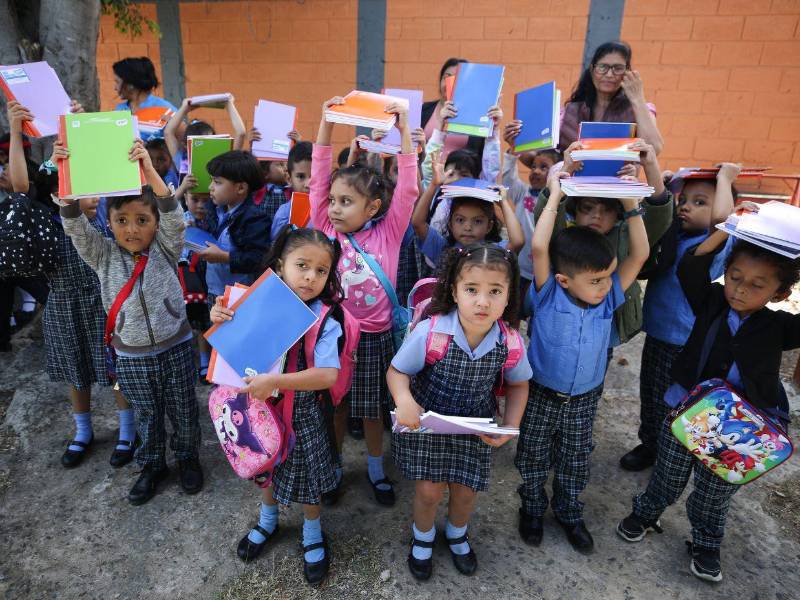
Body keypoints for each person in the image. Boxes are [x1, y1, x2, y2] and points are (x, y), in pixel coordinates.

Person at [617, 229, 800, 583]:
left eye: (757, 285)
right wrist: (727, 228)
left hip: (736, 431)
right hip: (685, 414)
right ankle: (646, 514)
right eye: (735, 277)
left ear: (781, 293)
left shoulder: (780, 327)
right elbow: (692, 266)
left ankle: (704, 542)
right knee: (666, 477)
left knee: (714, 493)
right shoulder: (712, 300)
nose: (741, 289)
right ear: (726, 273)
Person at [57, 139, 203, 506]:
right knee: (147, 414)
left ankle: (187, 456)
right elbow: (75, 227)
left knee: (184, 408)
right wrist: (66, 179)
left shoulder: (167, 246)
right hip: (132, 355)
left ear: (155, 224)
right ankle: (152, 465)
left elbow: (172, 212)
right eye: (122, 221)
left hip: (176, 345)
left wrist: (150, 170)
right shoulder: (102, 254)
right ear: (109, 222)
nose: (132, 229)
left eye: (142, 220)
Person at [516, 170, 650, 553]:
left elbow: (638, 254)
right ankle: (532, 508)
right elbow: (540, 248)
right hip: (541, 394)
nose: (607, 285)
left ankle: (569, 511)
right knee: (533, 457)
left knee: (576, 459)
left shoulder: (608, 298)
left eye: (609, 277)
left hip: (584, 399)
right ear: (562, 280)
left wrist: (630, 205)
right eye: (596, 281)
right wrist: (555, 195)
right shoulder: (547, 296)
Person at [210, 226, 345, 585]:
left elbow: (328, 375)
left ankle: (312, 532)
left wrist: (277, 382)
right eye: (302, 265)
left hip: (303, 414)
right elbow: (229, 343)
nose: (311, 277)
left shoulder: (325, 319)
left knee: (308, 479)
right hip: (258, 410)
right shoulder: (254, 301)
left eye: (321, 270)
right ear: (280, 264)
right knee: (263, 465)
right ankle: (268, 521)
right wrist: (219, 318)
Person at [7, 101, 137, 469]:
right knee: (74, 369)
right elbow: (20, 185)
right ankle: (83, 431)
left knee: (117, 369)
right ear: (55, 194)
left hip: (104, 302)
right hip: (63, 304)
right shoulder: (47, 220)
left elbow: (108, 162)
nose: (89, 195)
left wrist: (81, 127)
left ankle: (127, 431)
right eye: (78, 187)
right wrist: (16, 131)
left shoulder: (103, 219)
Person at [389, 243, 531, 580]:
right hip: (430, 425)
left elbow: (519, 384)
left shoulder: (509, 342)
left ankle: (456, 533)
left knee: (466, 490)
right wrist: (404, 400)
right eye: (472, 289)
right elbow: (397, 372)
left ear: (509, 295)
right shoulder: (431, 333)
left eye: (495, 291)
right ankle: (422, 538)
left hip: (474, 426)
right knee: (428, 490)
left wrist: (510, 424)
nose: (483, 301)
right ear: (454, 291)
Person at [310, 95, 417, 506]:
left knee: (372, 411)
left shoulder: (388, 233)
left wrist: (405, 130)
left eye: (346, 202)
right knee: (335, 409)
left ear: (372, 207)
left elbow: (407, 189)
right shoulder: (325, 228)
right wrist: (325, 121)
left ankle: (375, 468)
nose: (334, 208)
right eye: (333, 201)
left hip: (374, 339)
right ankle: (334, 466)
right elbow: (319, 176)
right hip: (333, 338)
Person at [619, 164, 740, 471]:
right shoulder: (673, 238)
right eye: (684, 200)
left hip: (683, 343)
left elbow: (722, 221)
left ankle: (669, 452)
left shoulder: (712, 246)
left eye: (700, 202)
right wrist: (669, 185)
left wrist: (725, 179)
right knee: (650, 395)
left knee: (675, 402)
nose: (686, 206)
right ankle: (651, 445)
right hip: (658, 337)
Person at [532, 140, 673, 349]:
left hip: (611, 325)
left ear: (618, 214)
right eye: (587, 208)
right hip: (562, 328)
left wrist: (650, 167)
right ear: (575, 211)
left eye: (606, 210)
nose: (596, 216)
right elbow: (545, 226)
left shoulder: (628, 232)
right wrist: (565, 171)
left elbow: (657, 218)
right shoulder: (566, 235)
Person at [412, 150, 524, 267]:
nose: (468, 227)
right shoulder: (443, 250)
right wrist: (434, 185)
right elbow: (417, 223)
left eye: (477, 221)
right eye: (460, 220)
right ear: (450, 224)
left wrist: (503, 202)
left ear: (489, 226)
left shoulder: (494, 252)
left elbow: (517, 242)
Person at [499, 121, 562, 313]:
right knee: (513, 308)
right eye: (534, 166)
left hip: (543, 270)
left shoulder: (555, 200)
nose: (535, 171)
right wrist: (511, 151)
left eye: (544, 168)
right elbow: (508, 178)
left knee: (539, 310)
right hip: (520, 267)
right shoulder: (522, 192)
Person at [559, 41, 663, 155]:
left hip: (622, 173)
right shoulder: (570, 111)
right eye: (602, 67)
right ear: (592, 70)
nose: (609, 74)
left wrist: (638, 99)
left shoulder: (640, 109)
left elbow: (654, 149)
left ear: (627, 72)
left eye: (618, 68)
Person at [194, 151, 271, 304]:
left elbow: (258, 258)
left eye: (217, 182)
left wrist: (224, 257)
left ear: (241, 188)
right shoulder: (215, 209)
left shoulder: (255, 219)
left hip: (238, 296)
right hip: (213, 289)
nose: (210, 187)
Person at [421, 57, 485, 159]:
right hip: (426, 173)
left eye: (458, 79)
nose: (450, 83)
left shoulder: (479, 118)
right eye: (446, 77)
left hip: (460, 174)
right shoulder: (423, 110)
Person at [112, 57, 178, 141]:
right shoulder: (120, 109)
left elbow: (183, 141)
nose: (115, 88)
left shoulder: (165, 109)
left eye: (117, 82)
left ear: (130, 84)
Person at [270, 141, 313, 240]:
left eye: (314, 176)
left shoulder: (330, 210)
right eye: (301, 176)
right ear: (289, 179)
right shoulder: (284, 215)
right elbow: (276, 247)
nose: (308, 184)